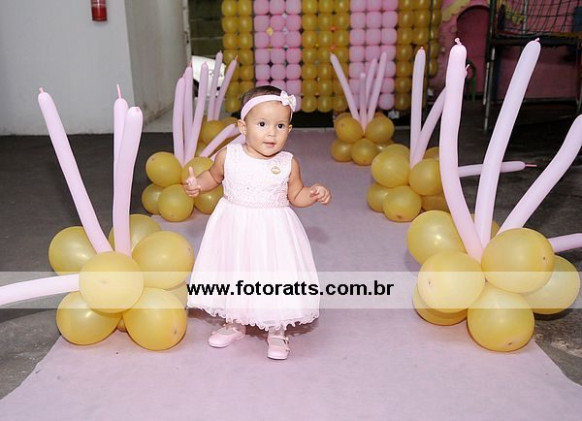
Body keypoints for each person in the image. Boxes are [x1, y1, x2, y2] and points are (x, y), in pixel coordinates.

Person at [183, 85, 331, 360]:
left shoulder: (288, 163)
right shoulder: (229, 155)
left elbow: (296, 195)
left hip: (273, 231)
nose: (271, 133)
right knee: (235, 270)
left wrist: (311, 193)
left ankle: (277, 328)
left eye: (280, 126)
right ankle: (234, 322)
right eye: (262, 124)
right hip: (234, 227)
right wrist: (197, 185)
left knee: (272, 274)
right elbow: (213, 177)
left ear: (289, 129)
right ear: (243, 126)